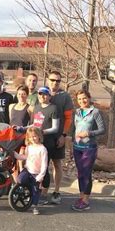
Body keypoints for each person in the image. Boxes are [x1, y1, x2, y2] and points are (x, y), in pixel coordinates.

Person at [70, 90, 105, 211]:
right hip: (77, 147)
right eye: (79, 99)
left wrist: (88, 133)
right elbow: (74, 129)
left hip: (89, 148)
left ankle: (86, 200)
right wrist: (72, 143)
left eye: (84, 98)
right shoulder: (77, 112)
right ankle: (81, 197)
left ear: (89, 98)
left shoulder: (95, 112)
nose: (82, 101)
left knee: (86, 173)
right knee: (80, 173)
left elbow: (102, 129)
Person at [47, 71, 74, 204]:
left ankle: (57, 191)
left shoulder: (65, 96)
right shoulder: (41, 93)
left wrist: (64, 135)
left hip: (58, 137)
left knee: (57, 164)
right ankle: (42, 191)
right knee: (42, 165)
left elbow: (69, 118)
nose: (55, 83)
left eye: (58, 81)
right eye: (52, 80)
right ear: (48, 80)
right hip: (43, 137)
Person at [29, 86, 60, 204]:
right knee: (34, 167)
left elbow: (55, 128)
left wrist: (42, 132)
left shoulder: (53, 108)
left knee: (44, 168)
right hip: (36, 142)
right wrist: (23, 129)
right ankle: (35, 190)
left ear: (49, 96)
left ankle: (44, 193)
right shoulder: (36, 108)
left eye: (45, 94)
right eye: (40, 94)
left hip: (48, 143)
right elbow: (33, 125)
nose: (43, 96)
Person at [13, 127, 48, 215]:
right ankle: (27, 191)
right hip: (28, 170)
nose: (33, 138)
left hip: (37, 173)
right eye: (30, 137)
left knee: (35, 190)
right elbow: (25, 157)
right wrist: (16, 155)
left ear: (39, 136)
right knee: (20, 179)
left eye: (35, 136)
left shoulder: (42, 149)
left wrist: (41, 176)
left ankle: (35, 206)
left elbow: (44, 164)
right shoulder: (29, 147)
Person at [9, 85, 32, 179]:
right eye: (19, 94)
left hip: (23, 137)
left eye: (23, 94)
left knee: (21, 160)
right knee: (12, 161)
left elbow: (33, 124)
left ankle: (22, 180)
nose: (21, 96)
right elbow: (10, 121)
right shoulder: (11, 106)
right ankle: (15, 184)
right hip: (12, 137)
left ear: (27, 95)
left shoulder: (30, 108)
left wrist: (22, 128)